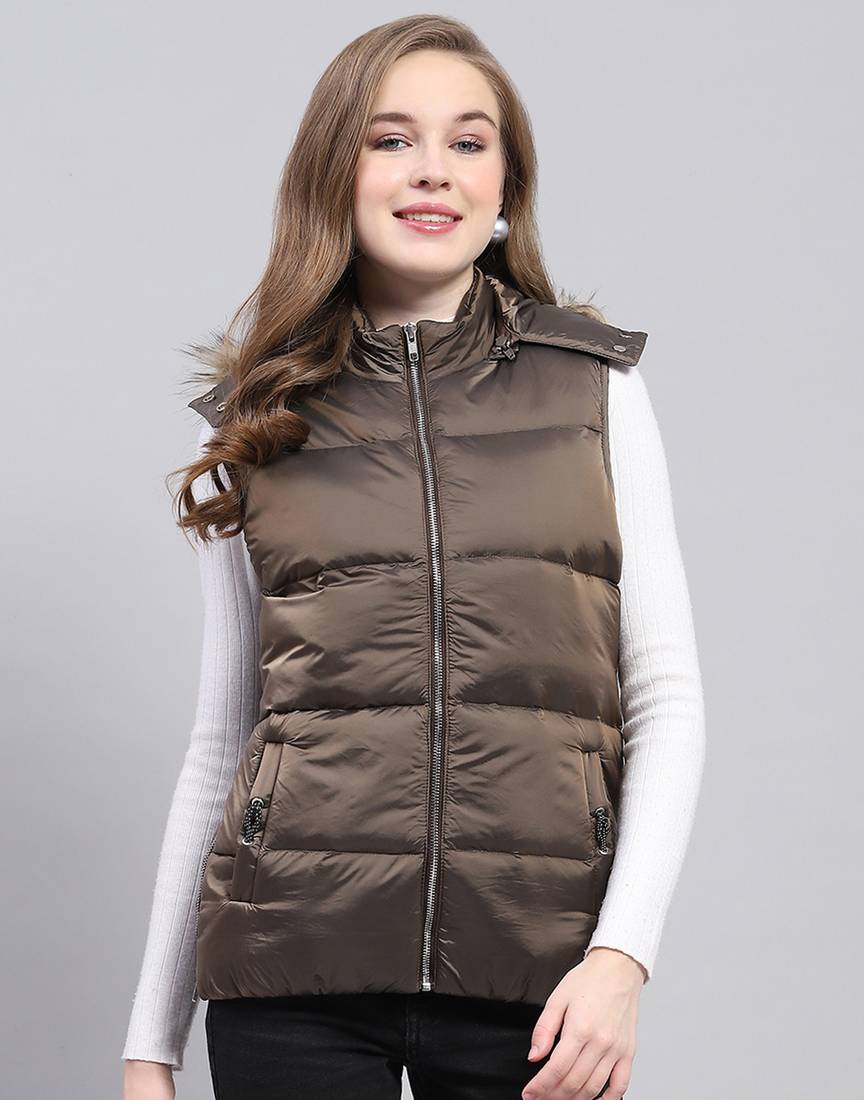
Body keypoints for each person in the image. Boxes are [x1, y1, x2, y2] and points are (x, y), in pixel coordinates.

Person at [122, 14, 705, 1100]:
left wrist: (621, 957)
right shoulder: (258, 419)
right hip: (288, 966)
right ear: (333, 174)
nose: (433, 169)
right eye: (391, 139)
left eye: (468, 142)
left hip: (536, 976)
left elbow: (664, 697)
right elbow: (224, 738)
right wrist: (150, 1042)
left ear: (505, 188)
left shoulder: (595, 387)